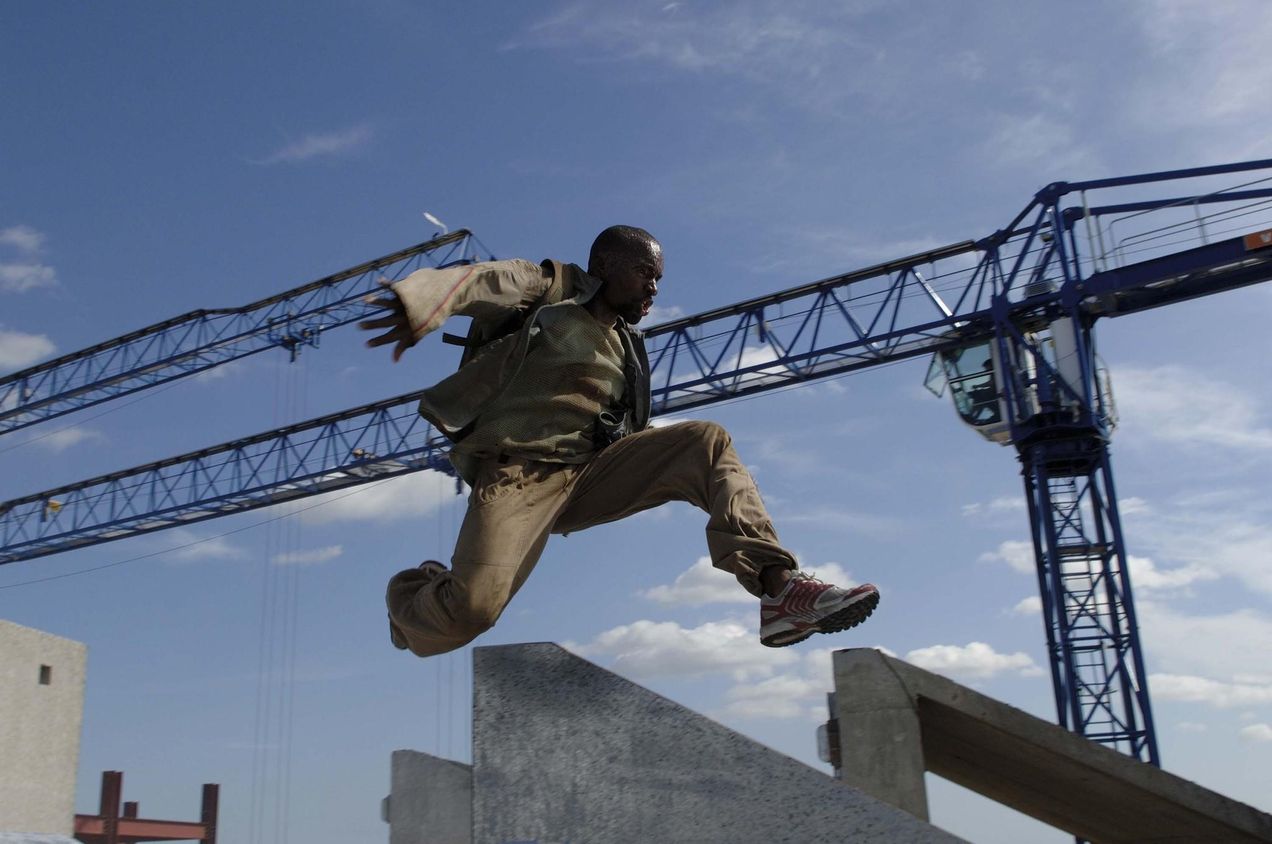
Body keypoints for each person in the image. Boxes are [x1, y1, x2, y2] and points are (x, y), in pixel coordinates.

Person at [359, 225, 878, 657]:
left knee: (704, 441)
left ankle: (778, 590)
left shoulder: (628, 345)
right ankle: (413, 591)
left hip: (593, 471)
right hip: (520, 473)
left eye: (659, 280)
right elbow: (478, 281)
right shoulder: (547, 288)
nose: (654, 289)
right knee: (471, 611)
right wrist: (418, 304)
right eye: (644, 274)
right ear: (605, 265)